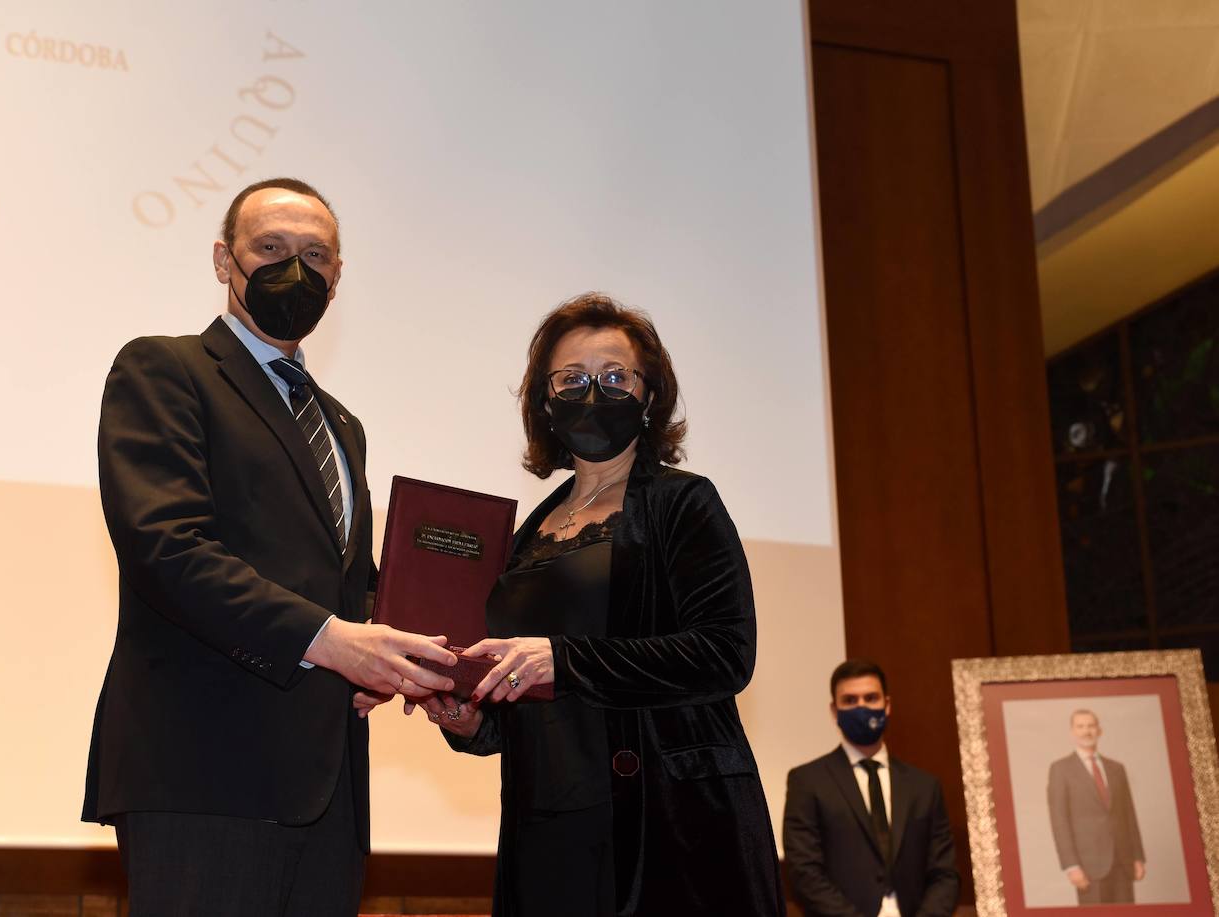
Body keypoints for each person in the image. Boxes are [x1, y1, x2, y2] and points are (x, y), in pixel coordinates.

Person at [81, 177, 457, 916]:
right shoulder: (166, 370)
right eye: (271, 248)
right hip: (203, 775)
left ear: (338, 278)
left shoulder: (341, 424)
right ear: (225, 260)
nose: (296, 269)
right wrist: (332, 640)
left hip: (328, 790)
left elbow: (346, 582)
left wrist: (405, 653)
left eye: (316, 254)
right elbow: (167, 548)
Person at [358, 292, 785, 916]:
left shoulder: (682, 503)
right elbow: (527, 692)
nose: (594, 392)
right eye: (572, 378)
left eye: (615, 377)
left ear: (649, 395)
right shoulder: (530, 530)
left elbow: (726, 654)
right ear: (545, 401)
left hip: (669, 824)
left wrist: (564, 659)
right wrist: (470, 720)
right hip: (547, 822)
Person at [783, 660, 959, 917]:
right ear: (834, 710)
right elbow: (804, 872)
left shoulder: (924, 786)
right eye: (850, 700)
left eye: (871, 698)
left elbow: (945, 873)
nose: (861, 707)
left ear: (887, 705)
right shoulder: (807, 781)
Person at [1047, 709, 1146, 905]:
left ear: (1099, 730)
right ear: (1072, 732)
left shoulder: (1117, 768)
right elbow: (1059, 822)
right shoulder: (1060, 769)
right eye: (1080, 726)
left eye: (1091, 726)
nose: (1086, 731)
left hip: (1123, 862)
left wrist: (1138, 857)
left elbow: (1129, 815)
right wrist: (1071, 865)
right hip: (1088, 866)